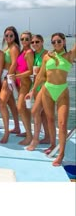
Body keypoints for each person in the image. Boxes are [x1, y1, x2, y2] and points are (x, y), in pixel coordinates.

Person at [30, 33, 75, 166]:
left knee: (62, 124)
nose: (56, 44)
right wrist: (32, 91)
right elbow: (41, 76)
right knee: (50, 119)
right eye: (53, 42)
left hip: (62, 91)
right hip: (47, 90)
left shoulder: (69, 56)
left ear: (64, 42)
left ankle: (61, 154)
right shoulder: (46, 57)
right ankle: (53, 144)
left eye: (59, 41)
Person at [9, 31, 34, 145]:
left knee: (20, 107)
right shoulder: (22, 51)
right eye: (22, 39)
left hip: (25, 83)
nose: (24, 41)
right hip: (19, 82)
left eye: (27, 39)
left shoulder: (29, 52)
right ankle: (27, 131)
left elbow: (30, 71)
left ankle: (29, 136)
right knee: (24, 109)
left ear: (30, 40)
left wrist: (16, 76)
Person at [26, 34, 50, 151]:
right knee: (43, 114)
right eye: (33, 42)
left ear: (42, 42)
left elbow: (45, 74)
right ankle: (47, 137)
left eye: (37, 42)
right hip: (36, 86)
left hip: (44, 87)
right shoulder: (35, 55)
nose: (35, 44)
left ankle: (35, 140)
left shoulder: (47, 54)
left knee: (35, 111)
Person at [0, 26, 21, 143]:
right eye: (6, 35)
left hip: (9, 76)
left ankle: (6, 133)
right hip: (6, 75)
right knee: (11, 103)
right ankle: (17, 127)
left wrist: (7, 78)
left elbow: (14, 64)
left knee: (1, 103)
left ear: (15, 37)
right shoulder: (9, 47)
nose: (8, 37)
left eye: (11, 35)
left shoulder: (14, 48)